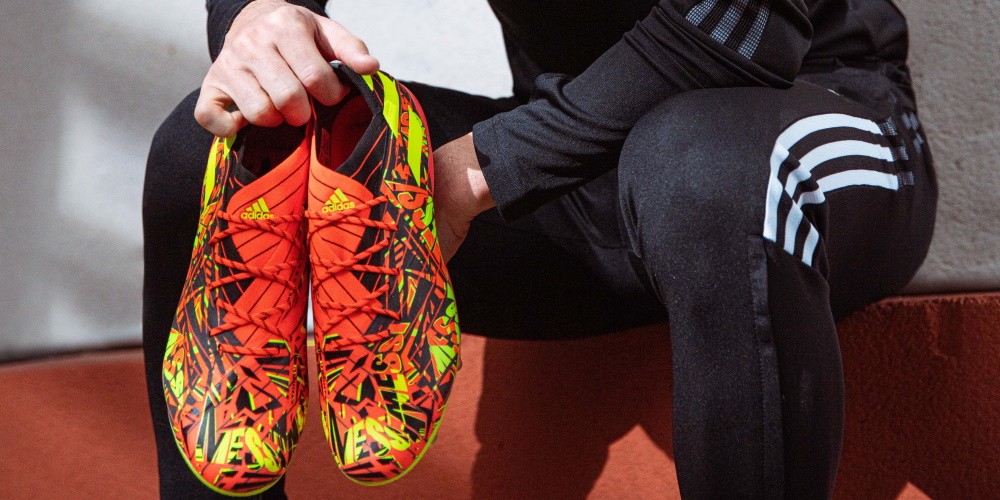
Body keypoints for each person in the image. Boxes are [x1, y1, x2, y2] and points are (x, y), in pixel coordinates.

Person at [142, 0, 936, 497]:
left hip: (799, 131)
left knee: (697, 168)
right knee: (206, 152)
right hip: (577, 170)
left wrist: (479, 172)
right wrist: (260, 22)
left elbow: (745, 24)